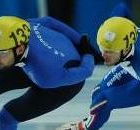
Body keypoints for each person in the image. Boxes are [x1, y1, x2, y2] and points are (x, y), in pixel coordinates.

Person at [0, 15, 95, 130]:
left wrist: (87, 53)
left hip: (62, 84)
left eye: (0, 53)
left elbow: (86, 71)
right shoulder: (23, 28)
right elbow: (48, 21)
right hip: (32, 60)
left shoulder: (46, 76)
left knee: (5, 118)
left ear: (20, 49)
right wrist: (80, 40)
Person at [56, 2, 140, 130]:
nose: (103, 55)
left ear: (126, 48)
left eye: (110, 51)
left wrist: (109, 99)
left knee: (103, 99)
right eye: (102, 48)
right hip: (130, 63)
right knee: (99, 92)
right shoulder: (119, 28)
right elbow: (121, 7)